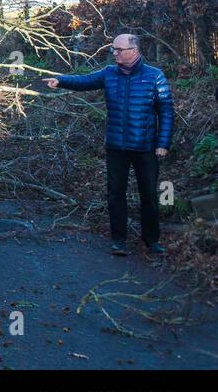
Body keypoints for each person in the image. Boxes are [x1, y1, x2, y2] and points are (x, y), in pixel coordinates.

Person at [43, 33, 172, 256]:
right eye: (114, 49)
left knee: (149, 195)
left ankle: (151, 240)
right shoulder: (109, 73)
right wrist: (61, 80)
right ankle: (118, 241)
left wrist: (163, 142)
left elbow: (167, 111)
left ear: (134, 50)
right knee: (115, 194)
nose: (115, 53)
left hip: (146, 147)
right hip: (116, 146)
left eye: (119, 49)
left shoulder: (155, 76)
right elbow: (84, 81)